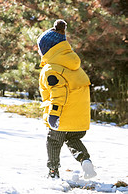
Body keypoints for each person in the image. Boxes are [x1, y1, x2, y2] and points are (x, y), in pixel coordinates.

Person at [37, 19, 97, 179]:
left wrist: (54, 114)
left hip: (61, 116)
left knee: (54, 142)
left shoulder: (51, 70)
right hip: (79, 119)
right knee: (73, 139)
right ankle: (85, 161)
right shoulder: (74, 66)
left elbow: (58, 92)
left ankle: (53, 172)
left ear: (47, 49)